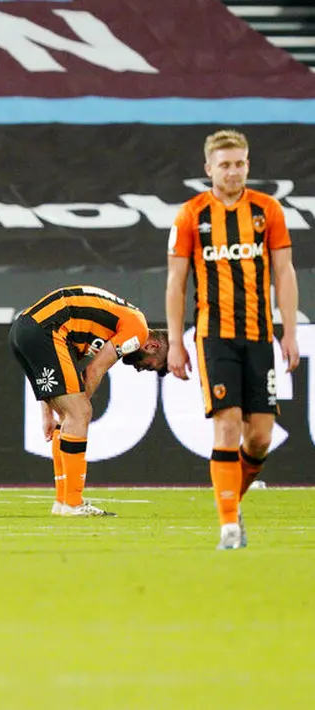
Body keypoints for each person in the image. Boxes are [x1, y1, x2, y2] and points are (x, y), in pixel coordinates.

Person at [165, 129, 299, 550]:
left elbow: (284, 273)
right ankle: (228, 526)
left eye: (240, 163)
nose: (233, 171)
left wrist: (290, 332)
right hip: (213, 336)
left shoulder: (267, 211)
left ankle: (231, 502)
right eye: (225, 164)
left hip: (259, 335)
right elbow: (176, 281)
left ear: (248, 165)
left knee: (259, 436)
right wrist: (174, 340)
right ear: (208, 169)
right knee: (226, 424)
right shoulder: (191, 215)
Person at [11, 286, 171, 517]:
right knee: (79, 412)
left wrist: (50, 413)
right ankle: (73, 504)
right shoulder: (137, 331)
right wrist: (78, 413)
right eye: (152, 365)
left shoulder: (95, 329)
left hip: (25, 330)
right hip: (45, 330)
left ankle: (63, 502)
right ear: (153, 346)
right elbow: (95, 369)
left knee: (72, 413)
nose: (141, 369)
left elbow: (58, 375)